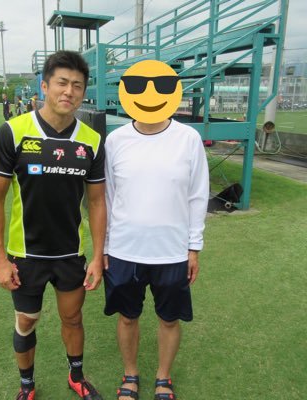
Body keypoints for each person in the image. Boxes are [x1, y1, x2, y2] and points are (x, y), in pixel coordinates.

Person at [0, 50, 106, 400]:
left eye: (77, 86)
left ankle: (76, 377)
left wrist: (98, 257)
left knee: (73, 319)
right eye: (62, 83)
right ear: (45, 86)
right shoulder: (13, 132)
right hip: (26, 254)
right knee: (26, 320)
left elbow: (97, 202)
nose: (69, 91)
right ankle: (27, 385)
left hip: (70, 253)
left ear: (84, 92)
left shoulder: (91, 140)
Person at [103, 62, 209, 399]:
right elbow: (107, 197)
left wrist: (193, 247)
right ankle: (130, 375)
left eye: (161, 86)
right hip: (124, 249)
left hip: (172, 251)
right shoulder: (116, 140)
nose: (150, 95)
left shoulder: (188, 139)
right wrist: (104, 247)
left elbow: (198, 195)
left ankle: (163, 378)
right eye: (138, 87)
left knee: (169, 319)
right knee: (127, 317)